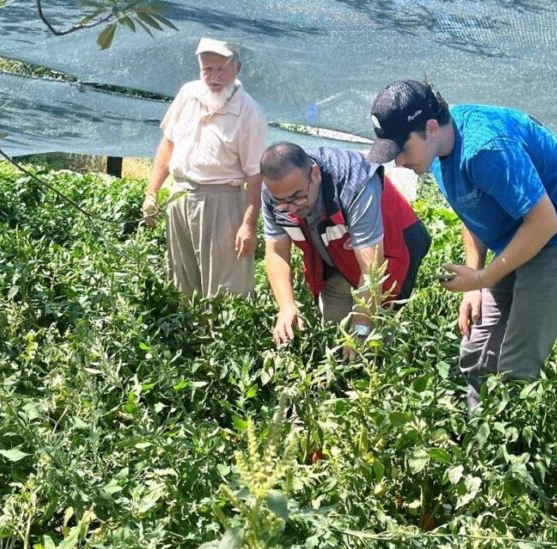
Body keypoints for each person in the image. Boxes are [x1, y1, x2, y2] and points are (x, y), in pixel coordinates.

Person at [368, 80, 557, 407]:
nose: (398, 162)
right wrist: (475, 282)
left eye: (402, 149)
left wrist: (484, 278)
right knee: (477, 351)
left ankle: (518, 437)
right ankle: (480, 434)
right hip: (519, 230)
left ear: (431, 127)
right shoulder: (435, 152)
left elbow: (545, 223)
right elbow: (472, 210)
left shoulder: (485, 149)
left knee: (516, 368)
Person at [259, 142, 430, 359]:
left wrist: (362, 325)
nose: (291, 208)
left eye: (297, 197)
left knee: (374, 337)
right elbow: (276, 252)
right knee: (336, 336)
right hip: (336, 258)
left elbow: (372, 269)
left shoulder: (354, 182)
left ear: (315, 174)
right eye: (282, 202)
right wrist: (286, 306)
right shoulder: (273, 194)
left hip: (390, 252)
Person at [140, 37, 268, 298]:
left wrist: (248, 225)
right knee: (182, 284)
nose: (214, 77)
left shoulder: (249, 112)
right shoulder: (188, 94)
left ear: (237, 68)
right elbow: (168, 143)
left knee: (226, 292)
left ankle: (222, 326)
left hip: (222, 202)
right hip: (180, 197)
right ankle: (189, 326)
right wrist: (152, 193)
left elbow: (256, 176)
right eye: (207, 70)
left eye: (221, 69)